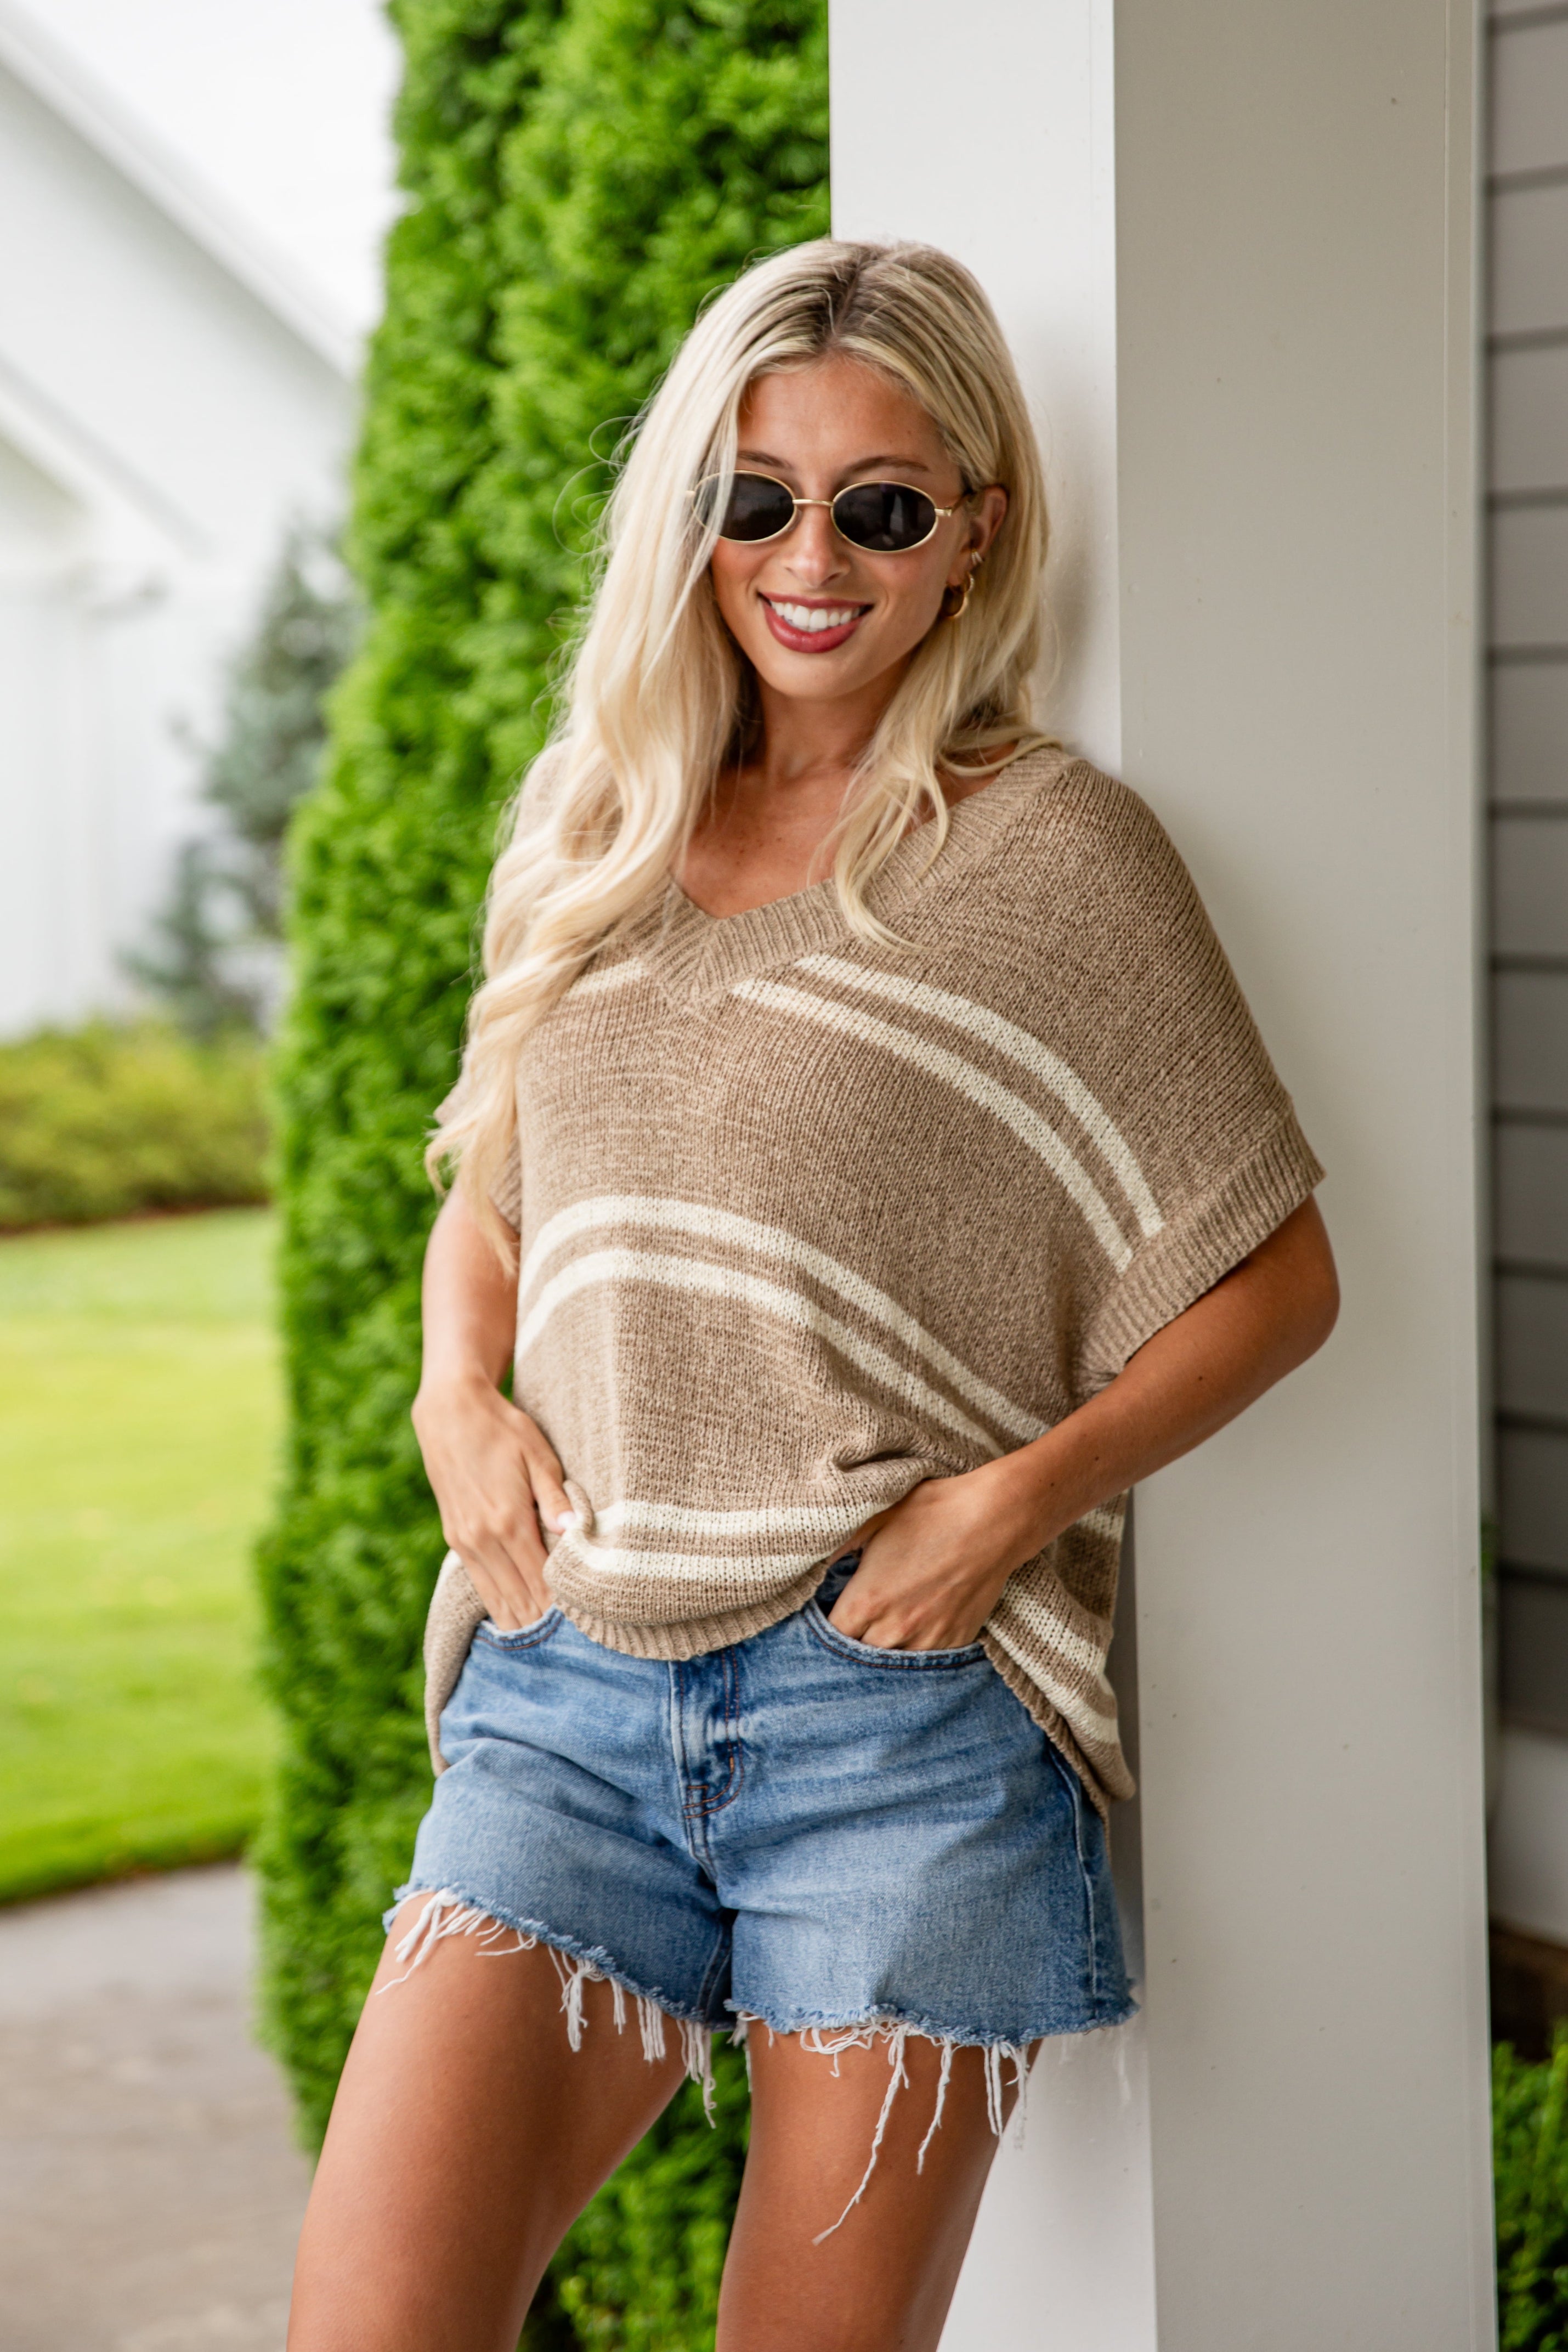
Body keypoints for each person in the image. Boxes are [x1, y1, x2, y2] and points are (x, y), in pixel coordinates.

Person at [287, 239, 1338, 2352]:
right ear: (691, 516)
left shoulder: (1049, 858)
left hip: (896, 1724)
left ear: (975, 535)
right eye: (752, 497)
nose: (810, 558)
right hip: (563, 1693)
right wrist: (448, 1393)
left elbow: (1276, 1276)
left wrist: (1008, 1504)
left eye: (879, 505)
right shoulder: (599, 824)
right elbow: (501, 1182)